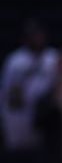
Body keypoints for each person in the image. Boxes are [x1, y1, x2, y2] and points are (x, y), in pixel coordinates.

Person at [0, 20, 58, 150]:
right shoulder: (15, 60)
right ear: (27, 38)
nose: (38, 39)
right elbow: (6, 91)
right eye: (34, 36)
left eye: (40, 35)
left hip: (46, 113)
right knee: (20, 153)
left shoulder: (52, 58)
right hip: (19, 114)